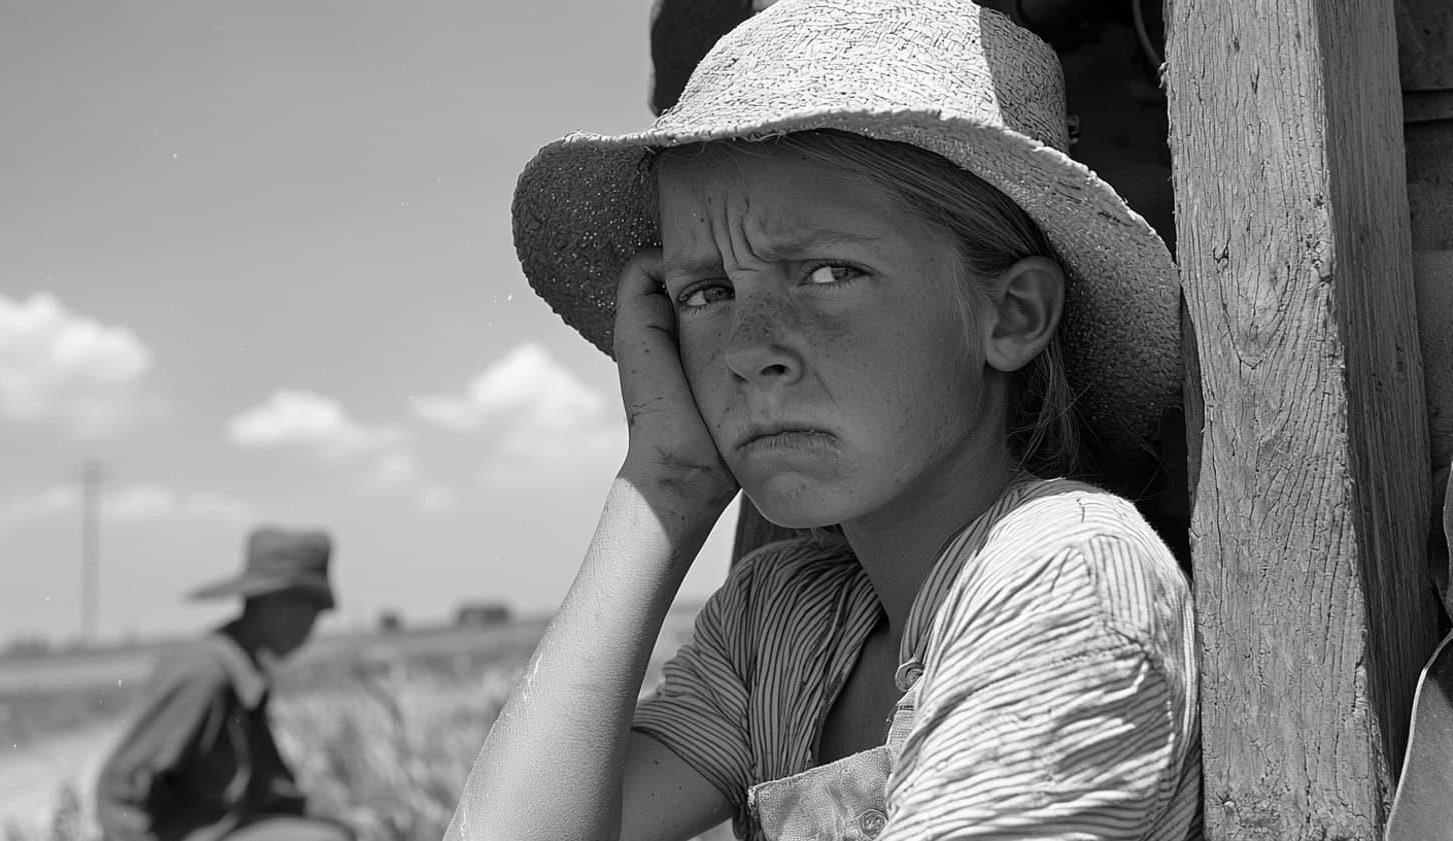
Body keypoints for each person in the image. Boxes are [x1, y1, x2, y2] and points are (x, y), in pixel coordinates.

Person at [452, 0, 1200, 837]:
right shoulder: (781, 621)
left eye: (828, 272)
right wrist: (664, 481)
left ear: (1013, 314)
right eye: (707, 292)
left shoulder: (1065, 578)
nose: (748, 348)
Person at [95, 526, 352, 841]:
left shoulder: (242, 674)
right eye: (312, 611)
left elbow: (266, 789)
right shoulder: (205, 672)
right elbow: (120, 787)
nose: (313, 627)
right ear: (279, 603)